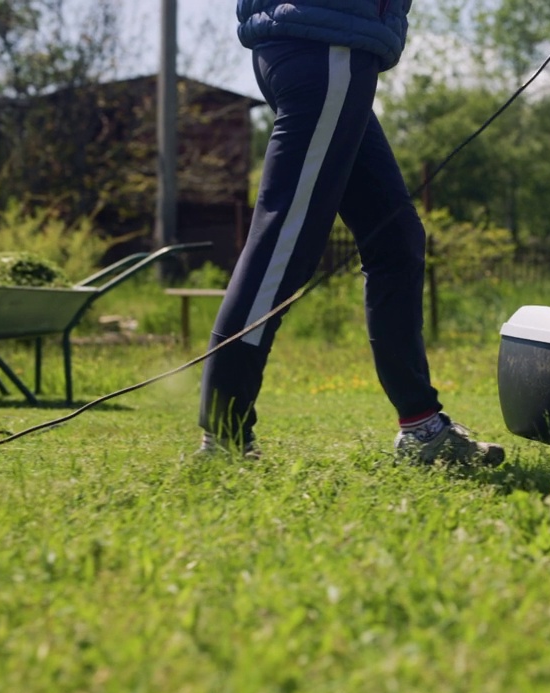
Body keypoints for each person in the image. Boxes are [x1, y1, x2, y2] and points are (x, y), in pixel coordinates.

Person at [197, 0, 504, 466]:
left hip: (323, 40)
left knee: (395, 240)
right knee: (285, 242)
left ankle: (422, 428)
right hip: (323, 42)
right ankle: (223, 437)